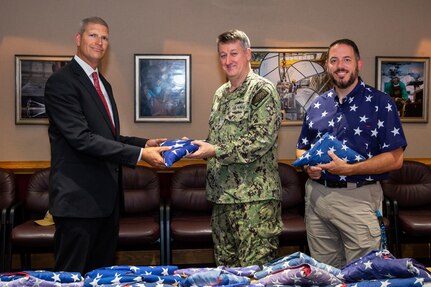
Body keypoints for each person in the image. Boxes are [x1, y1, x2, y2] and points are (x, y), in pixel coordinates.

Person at [44, 16, 170, 274]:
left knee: (102, 276)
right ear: (78, 39)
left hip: (106, 204)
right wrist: (140, 154)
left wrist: (144, 143)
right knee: (72, 276)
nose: (99, 42)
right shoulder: (61, 82)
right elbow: (82, 139)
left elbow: (108, 137)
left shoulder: (103, 84)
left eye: (104, 37)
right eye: (93, 35)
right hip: (78, 204)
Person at [295, 39, 407, 268]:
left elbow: (396, 159)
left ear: (358, 64)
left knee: (361, 274)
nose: (340, 66)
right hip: (317, 198)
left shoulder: (380, 103)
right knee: (325, 274)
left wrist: (351, 169)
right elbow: (303, 146)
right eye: (334, 61)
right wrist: (308, 167)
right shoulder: (317, 105)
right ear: (327, 66)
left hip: (358, 199)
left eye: (347, 59)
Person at [188, 29, 282, 267]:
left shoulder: (262, 90)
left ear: (248, 54)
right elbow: (218, 139)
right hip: (222, 199)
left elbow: (261, 139)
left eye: (233, 54)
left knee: (254, 273)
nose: (228, 61)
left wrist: (214, 150)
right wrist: (192, 148)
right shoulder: (220, 94)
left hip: (254, 201)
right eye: (222, 55)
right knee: (225, 273)